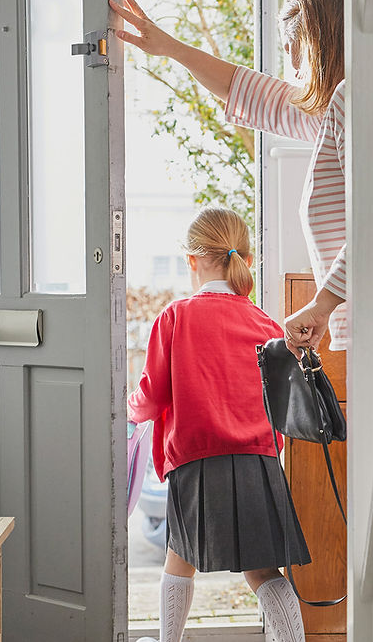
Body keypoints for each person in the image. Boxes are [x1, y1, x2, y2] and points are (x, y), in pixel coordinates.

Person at [111, 0, 349, 354]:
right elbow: (250, 92)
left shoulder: (353, 102)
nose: (296, 72)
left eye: (294, 52)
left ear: (320, 43)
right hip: (367, 319)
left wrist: (321, 305)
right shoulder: (339, 108)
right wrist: (172, 48)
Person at [128, 207, 310, 642]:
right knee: (264, 569)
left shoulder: (175, 317)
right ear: (242, 259)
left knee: (178, 557)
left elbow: (151, 397)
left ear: (192, 260)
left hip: (195, 460)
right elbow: (279, 405)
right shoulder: (265, 323)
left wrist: (127, 410)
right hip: (256, 461)